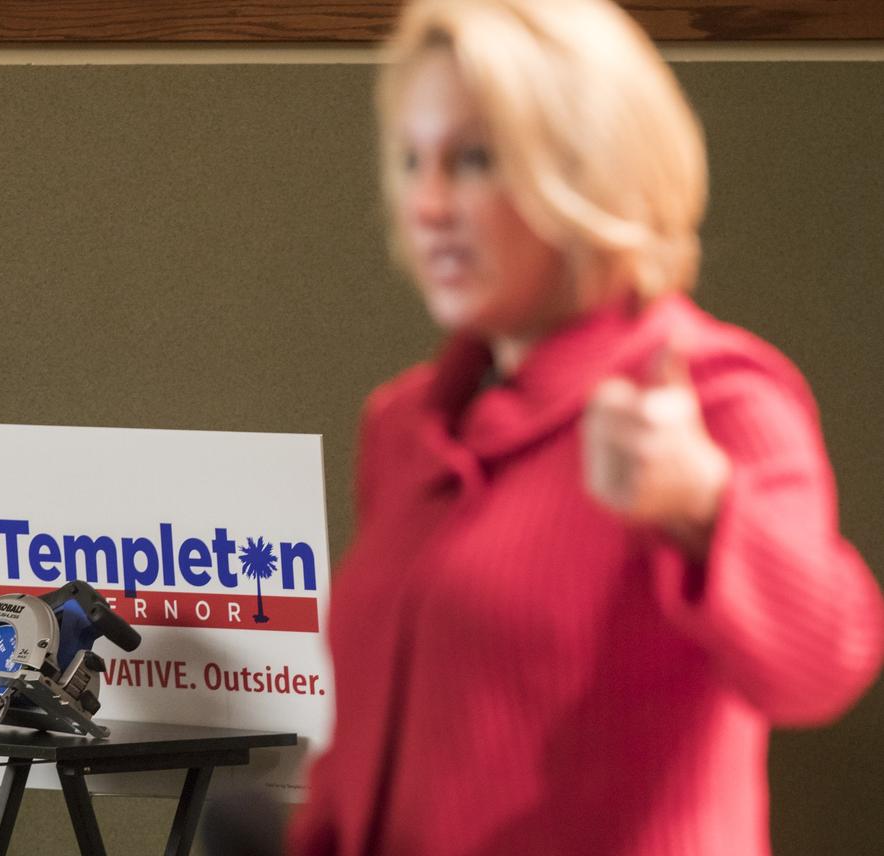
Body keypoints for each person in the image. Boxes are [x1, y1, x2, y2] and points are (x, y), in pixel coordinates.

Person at [285, 1, 884, 854]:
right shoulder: (402, 422)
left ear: (593, 170)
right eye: (413, 160)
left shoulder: (713, 397)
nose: (426, 203)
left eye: (476, 160)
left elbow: (826, 664)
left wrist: (704, 505)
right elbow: (376, 744)